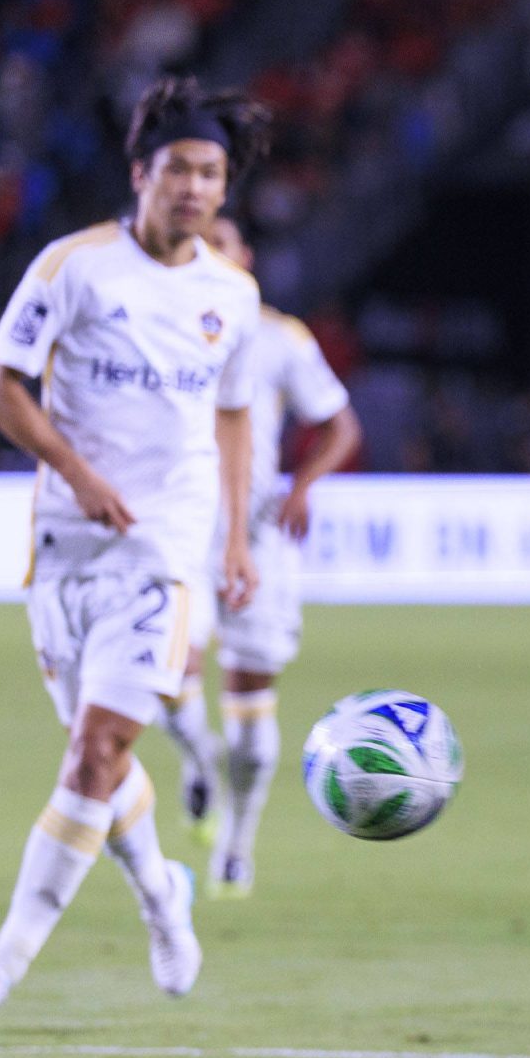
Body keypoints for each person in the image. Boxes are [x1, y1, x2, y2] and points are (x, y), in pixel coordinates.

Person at [0, 76, 269, 1027]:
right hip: (64, 552)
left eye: (210, 173)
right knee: (103, 768)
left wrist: (236, 533)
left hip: (164, 553)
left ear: (222, 187)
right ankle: (164, 895)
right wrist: (77, 473)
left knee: (97, 749)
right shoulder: (74, 268)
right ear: (142, 174)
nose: (195, 188)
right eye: (178, 170)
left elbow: (237, 414)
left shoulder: (232, 297)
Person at [157, 214, 362, 897]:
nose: (210, 254)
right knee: (165, 683)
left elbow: (340, 425)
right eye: (199, 244)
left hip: (257, 535)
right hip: (179, 531)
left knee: (251, 709)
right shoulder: (157, 326)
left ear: (245, 258)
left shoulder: (280, 338)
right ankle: (199, 761)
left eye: (223, 243)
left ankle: (238, 843)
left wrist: (302, 486)